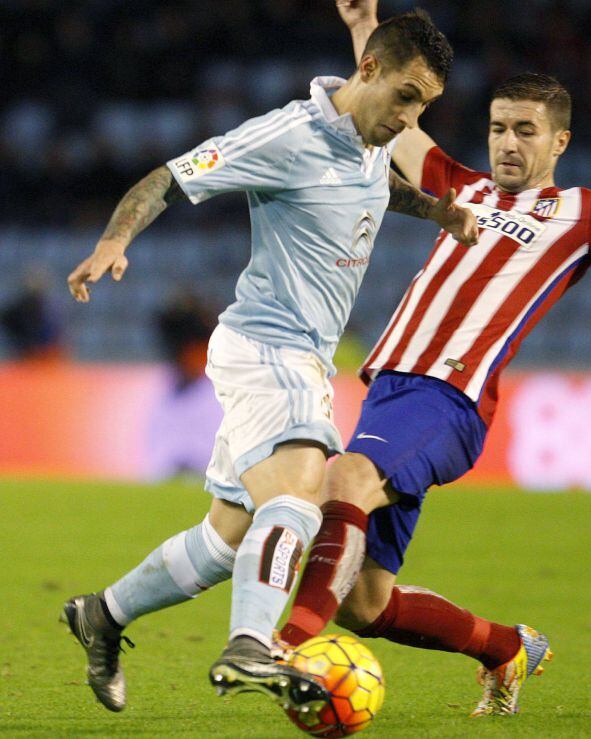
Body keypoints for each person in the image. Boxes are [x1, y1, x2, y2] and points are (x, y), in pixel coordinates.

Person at [273, 0, 591, 720]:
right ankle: (506, 647)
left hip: (449, 397)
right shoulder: (463, 186)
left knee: (345, 476)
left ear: (559, 140)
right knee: (364, 604)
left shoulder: (583, 215)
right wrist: (361, 31)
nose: (508, 142)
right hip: (389, 394)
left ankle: (284, 646)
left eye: (525, 131)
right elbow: (395, 121)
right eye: (499, 127)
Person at [61, 10, 478, 715]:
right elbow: (169, 176)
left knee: (226, 539)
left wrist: (438, 212)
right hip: (266, 345)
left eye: (425, 107)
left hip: (303, 357)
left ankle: (101, 612)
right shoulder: (290, 135)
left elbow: (378, 187)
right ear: (369, 71)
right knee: (303, 491)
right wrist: (113, 240)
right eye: (407, 98)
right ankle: (252, 642)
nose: (411, 119)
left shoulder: (372, 137)